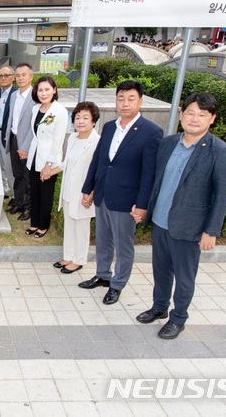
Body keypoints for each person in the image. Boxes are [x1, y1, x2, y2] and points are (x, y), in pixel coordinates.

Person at [136, 92, 226, 339]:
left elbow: (222, 196)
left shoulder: (219, 152)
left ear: (212, 119)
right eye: (190, 112)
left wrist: (211, 231)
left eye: (202, 115)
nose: (194, 118)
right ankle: (159, 307)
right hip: (160, 221)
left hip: (189, 227)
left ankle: (178, 317)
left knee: (184, 277)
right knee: (160, 270)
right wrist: (145, 207)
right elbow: (157, 181)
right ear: (181, 114)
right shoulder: (168, 143)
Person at [79, 80, 163, 305]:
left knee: (123, 244)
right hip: (104, 194)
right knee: (103, 239)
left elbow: (149, 173)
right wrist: (88, 189)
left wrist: (142, 204)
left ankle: (117, 284)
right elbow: (99, 160)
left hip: (127, 200)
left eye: (131, 98)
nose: (125, 103)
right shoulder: (108, 127)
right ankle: (103, 274)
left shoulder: (151, 132)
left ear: (140, 101)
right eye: (121, 98)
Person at [51, 102, 101, 274]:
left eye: (85, 118)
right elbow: (66, 164)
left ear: (94, 121)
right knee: (69, 224)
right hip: (68, 190)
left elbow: (98, 171)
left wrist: (91, 193)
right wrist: (50, 172)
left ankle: (79, 260)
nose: (81, 121)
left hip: (83, 193)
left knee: (81, 226)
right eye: (77, 117)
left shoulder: (97, 142)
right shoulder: (72, 138)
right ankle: (68, 255)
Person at [25, 76, 68, 238]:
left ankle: (43, 225)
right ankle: (34, 223)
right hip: (35, 156)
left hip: (49, 159)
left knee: (45, 194)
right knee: (34, 191)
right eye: (40, 90)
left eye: (47, 89)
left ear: (54, 90)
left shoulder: (60, 112)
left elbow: (58, 140)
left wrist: (49, 164)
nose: (43, 93)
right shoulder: (35, 109)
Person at [5, 63, 37, 221]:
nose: (20, 78)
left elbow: (34, 125)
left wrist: (25, 146)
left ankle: (28, 207)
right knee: (17, 174)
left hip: (27, 142)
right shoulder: (13, 95)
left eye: (24, 75)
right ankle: (18, 202)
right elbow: (11, 119)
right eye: (17, 75)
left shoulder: (35, 97)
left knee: (27, 177)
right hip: (13, 138)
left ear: (31, 77)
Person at [0, 65, 17, 200]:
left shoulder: (15, 94)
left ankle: (16, 195)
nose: (3, 78)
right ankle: (4, 190)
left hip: (8, 134)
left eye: (6, 75)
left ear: (13, 78)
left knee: (9, 165)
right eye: (0, 76)